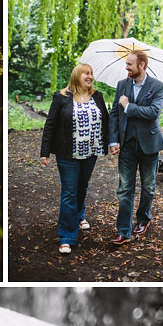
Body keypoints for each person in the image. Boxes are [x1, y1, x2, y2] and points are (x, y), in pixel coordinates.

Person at [40, 63, 110, 254]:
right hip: (67, 152)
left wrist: (112, 142)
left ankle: (79, 215)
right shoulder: (61, 97)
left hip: (91, 151)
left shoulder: (98, 96)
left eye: (92, 73)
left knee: (82, 186)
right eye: (86, 73)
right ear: (77, 75)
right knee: (69, 192)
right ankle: (66, 236)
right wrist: (44, 151)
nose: (90, 77)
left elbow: (106, 121)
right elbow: (51, 124)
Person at [107, 49, 163, 245]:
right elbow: (115, 114)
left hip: (150, 145)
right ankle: (123, 231)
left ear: (141, 65)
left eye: (130, 64)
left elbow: (153, 112)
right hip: (126, 145)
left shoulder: (158, 86)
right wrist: (113, 140)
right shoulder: (122, 85)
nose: (126, 67)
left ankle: (143, 219)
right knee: (125, 188)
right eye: (126, 64)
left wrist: (129, 106)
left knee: (148, 187)